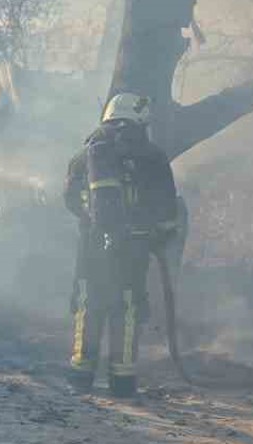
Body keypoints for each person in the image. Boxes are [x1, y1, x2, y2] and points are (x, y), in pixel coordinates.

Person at [63, 92, 181, 398]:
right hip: (133, 247)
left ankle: (80, 374)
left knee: (89, 303)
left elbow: (70, 199)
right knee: (127, 307)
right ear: (140, 119)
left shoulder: (86, 154)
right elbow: (167, 209)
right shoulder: (152, 156)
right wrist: (157, 235)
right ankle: (122, 380)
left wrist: (94, 223)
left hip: (91, 246)